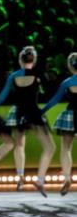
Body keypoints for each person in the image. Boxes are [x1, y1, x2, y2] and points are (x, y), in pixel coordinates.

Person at [0, 46, 55, 196]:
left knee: (19, 145)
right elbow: (50, 93)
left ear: (20, 59)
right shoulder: (38, 74)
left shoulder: (14, 76)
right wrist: (44, 110)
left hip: (19, 113)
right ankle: (40, 179)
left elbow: (1, 98)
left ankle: (20, 178)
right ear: (34, 60)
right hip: (33, 112)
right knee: (49, 147)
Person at [41, 52, 77, 195]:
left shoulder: (67, 82)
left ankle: (67, 178)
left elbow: (54, 100)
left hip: (70, 115)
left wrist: (41, 111)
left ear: (69, 65)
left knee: (66, 149)